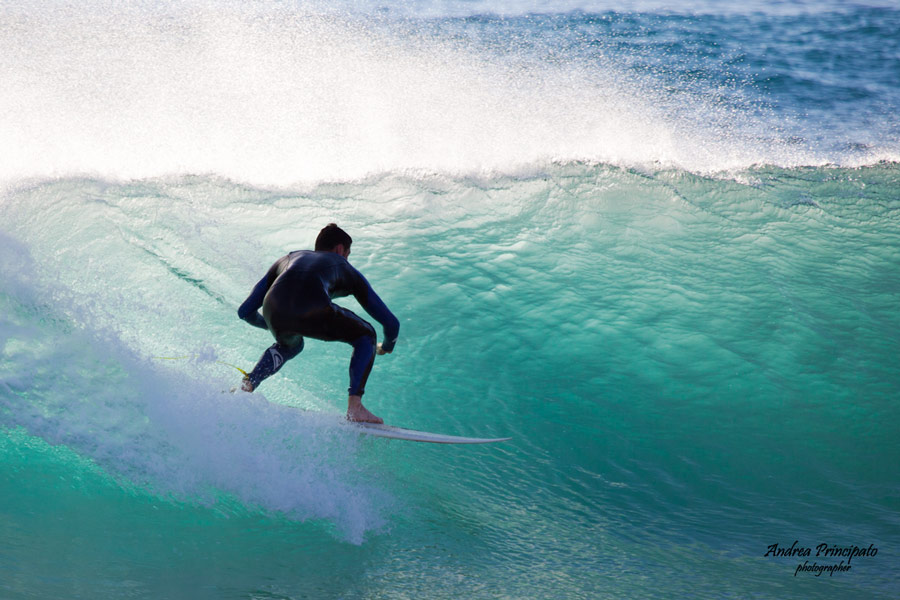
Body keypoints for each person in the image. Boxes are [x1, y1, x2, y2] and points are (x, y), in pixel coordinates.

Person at [237, 223, 399, 424]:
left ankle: (248, 385)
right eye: (348, 254)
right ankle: (355, 408)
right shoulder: (343, 265)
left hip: (273, 307)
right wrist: (386, 347)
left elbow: (245, 311)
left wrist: (268, 324)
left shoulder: (288, 258)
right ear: (340, 249)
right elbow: (391, 323)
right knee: (366, 335)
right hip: (311, 303)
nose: (347, 259)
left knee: (291, 345)